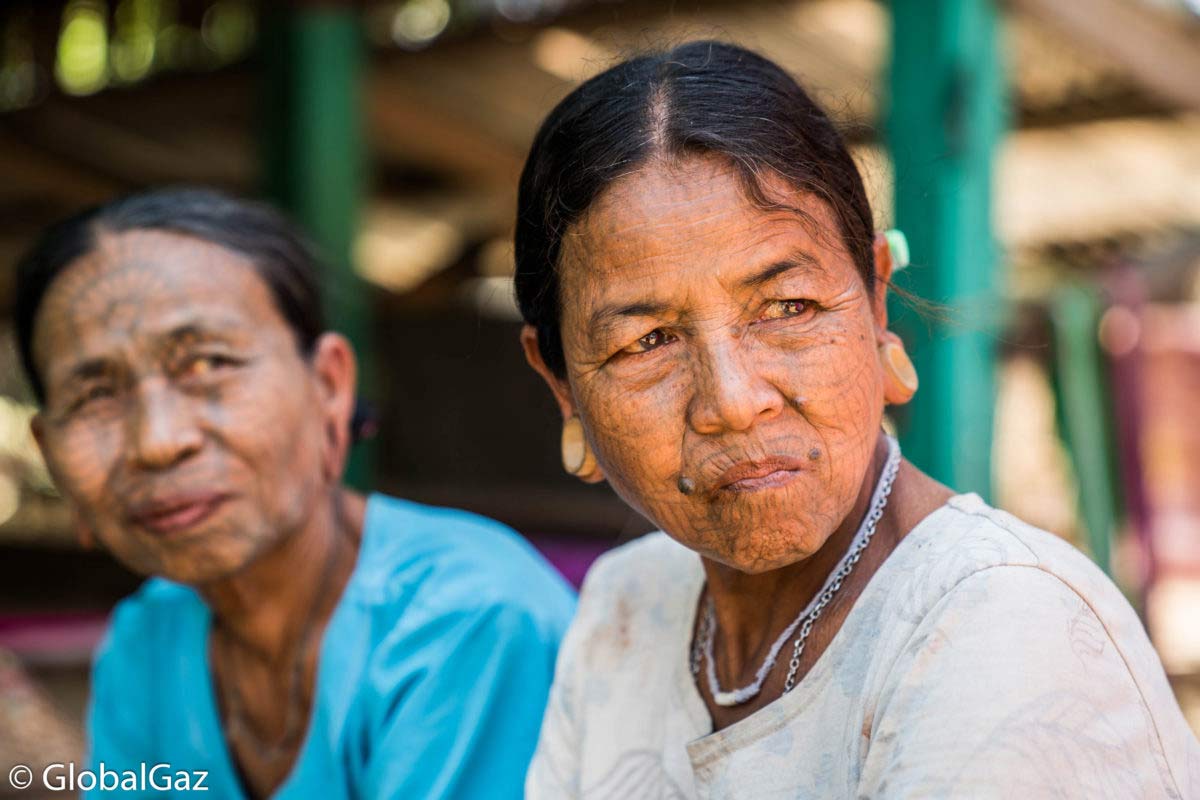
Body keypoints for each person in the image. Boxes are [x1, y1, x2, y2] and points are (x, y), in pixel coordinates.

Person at [515, 41, 1200, 798]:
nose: (735, 401)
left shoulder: (1000, 627)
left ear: (876, 304)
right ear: (563, 386)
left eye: (788, 308)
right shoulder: (626, 608)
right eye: (647, 341)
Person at [16, 188, 576, 799]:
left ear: (328, 385)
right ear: (51, 453)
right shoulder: (146, 644)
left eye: (207, 363)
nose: (156, 441)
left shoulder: (469, 620)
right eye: (95, 395)